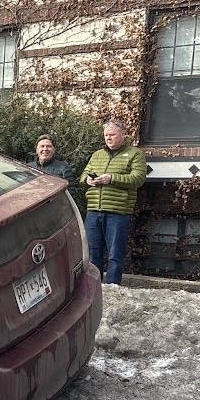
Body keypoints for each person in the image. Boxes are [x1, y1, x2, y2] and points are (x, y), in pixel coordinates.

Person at [81, 120, 147, 285]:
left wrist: (112, 179)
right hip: (94, 210)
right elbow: (83, 175)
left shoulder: (135, 153)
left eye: (112, 135)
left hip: (118, 211)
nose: (108, 138)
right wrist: (88, 180)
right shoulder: (97, 155)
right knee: (92, 253)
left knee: (114, 255)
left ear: (123, 134)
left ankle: (112, 288)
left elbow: (138, 178)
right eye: (106, 135)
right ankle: (94, 289)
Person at [27, 134, 78, 201]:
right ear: (36, 149)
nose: (45, 149)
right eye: (42, 146)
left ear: (54, 149)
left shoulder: (63, 168)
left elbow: (70, 194)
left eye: (49, 146)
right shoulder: (28, 168)